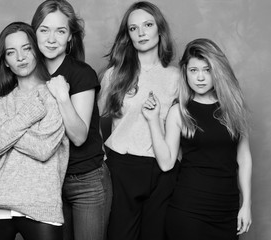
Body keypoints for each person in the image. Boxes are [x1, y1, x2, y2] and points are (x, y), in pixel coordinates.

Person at [142, 38, 252, 240]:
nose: (200, 77)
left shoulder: (234, 108)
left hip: (227, 210)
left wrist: (246, 205)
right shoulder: (179, 112)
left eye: (207, 70)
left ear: (217, 72)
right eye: (193, 70)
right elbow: (166, 163)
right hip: (188, 210)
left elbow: (244, 159)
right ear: (185, 72)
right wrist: (153, 120)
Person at [0, 21, 69, 240]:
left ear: (36, 50)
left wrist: (5, 127)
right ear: (6, 62)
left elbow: (44, 149)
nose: (20, 57)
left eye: (26, 48)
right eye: (11, 52)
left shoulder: (55, 94)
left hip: (41, 204)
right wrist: (26, 118)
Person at [98, 1, 180, 240]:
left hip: (162, 171)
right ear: (128, 35)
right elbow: (93, 118)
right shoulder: (115, 74)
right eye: (133, 28)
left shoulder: (176, 77)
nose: (141, 32)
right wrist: (101, 155)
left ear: (159, 29)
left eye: (147, 25)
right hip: (122, 167)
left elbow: (184, 126)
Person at [31, 1, 112, 240]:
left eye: (61, 31)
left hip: (86, 181)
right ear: (34, 32)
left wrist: (62, 97)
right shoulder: (29, 74)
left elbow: (78, 136)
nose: (51, 38)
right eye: (44, 30)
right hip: (48, 182)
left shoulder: (81, 73)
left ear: (70, 38)